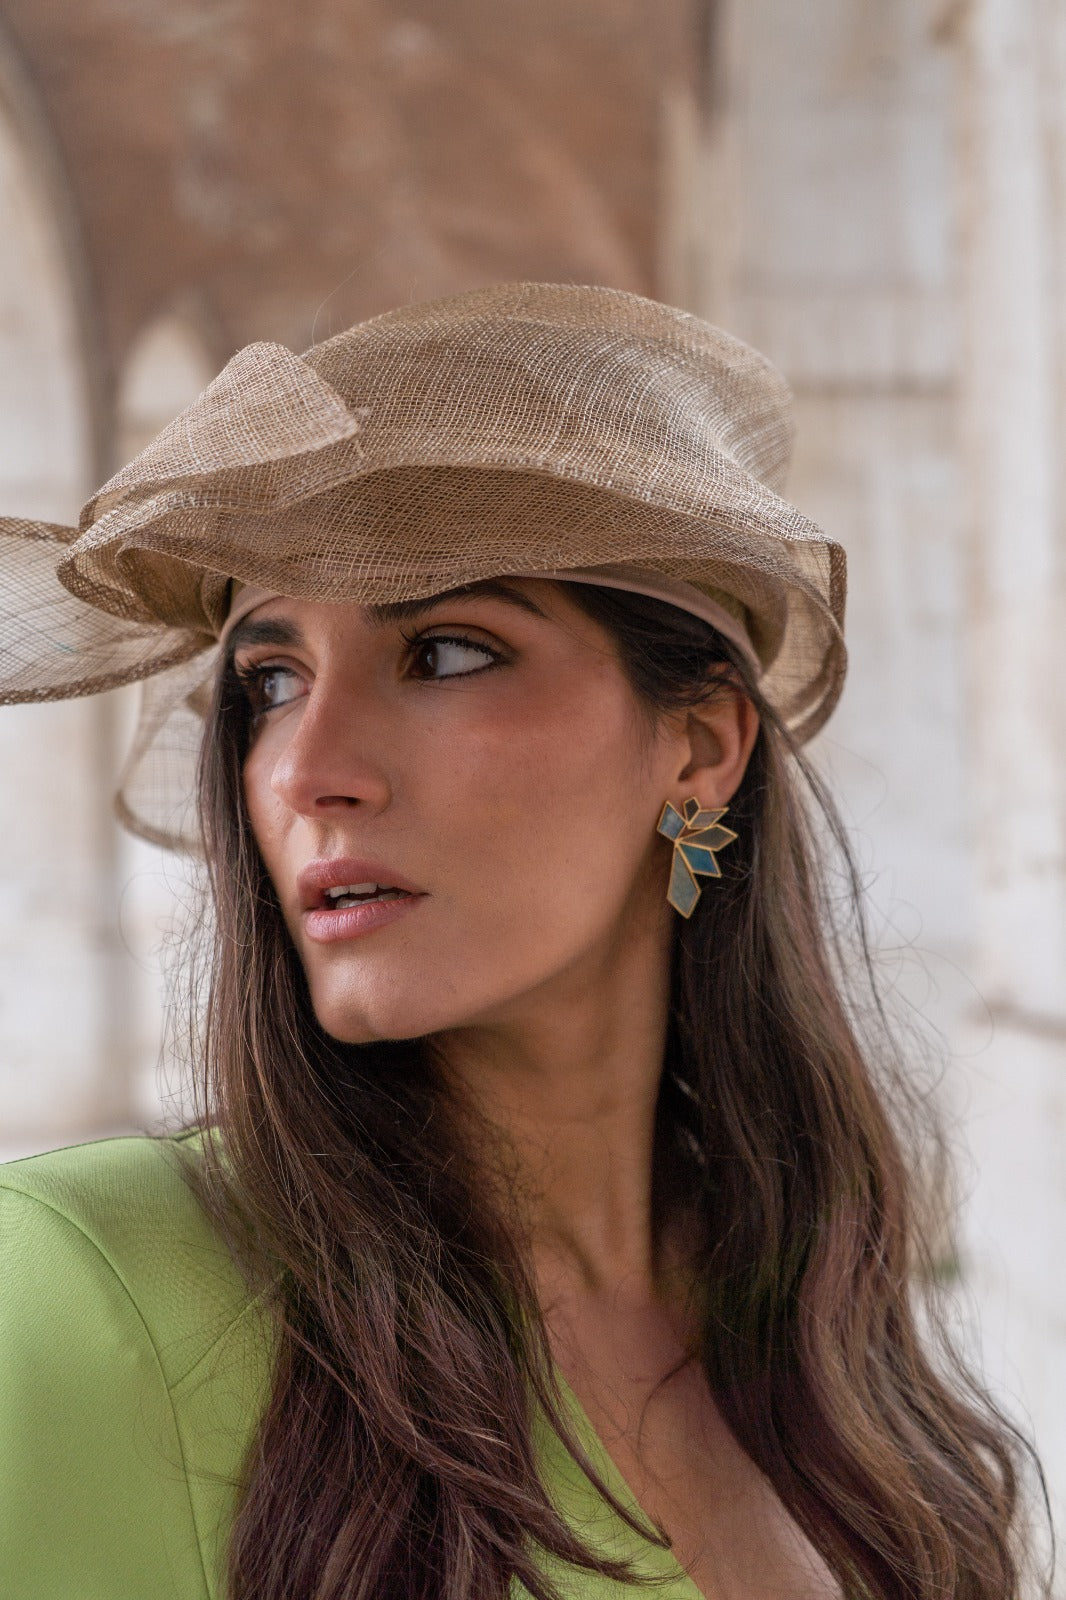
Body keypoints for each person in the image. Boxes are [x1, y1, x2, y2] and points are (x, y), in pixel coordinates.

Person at [0, 283, 1043, 1600]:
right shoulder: (81, 1291)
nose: (307, 769)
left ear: (699, 745)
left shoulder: (814, 1309)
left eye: (443, 653)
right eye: (271, 680)